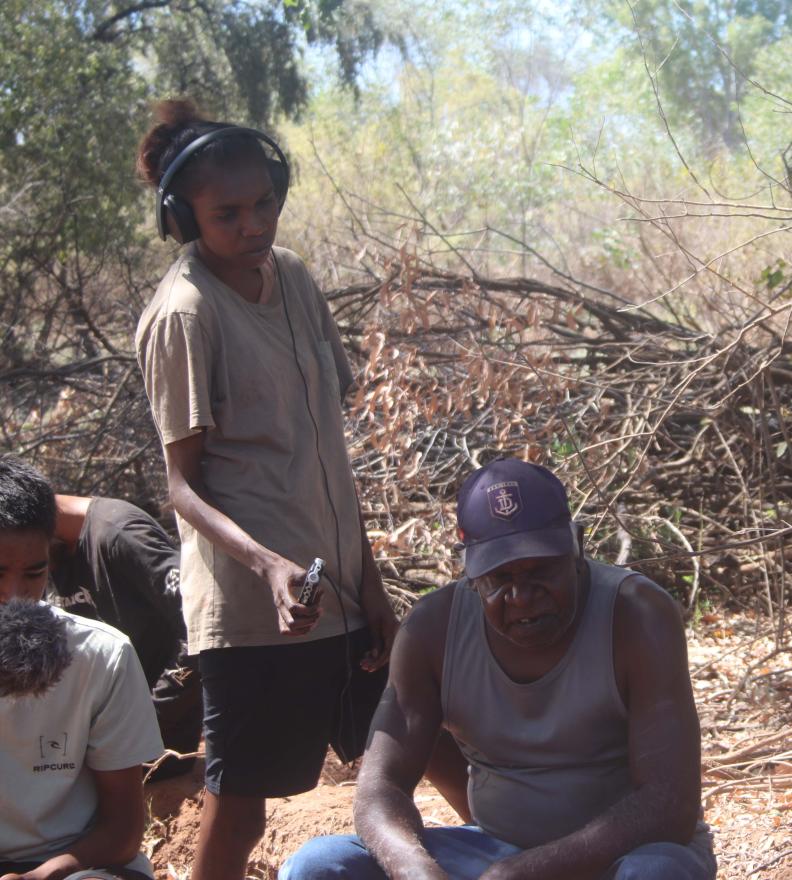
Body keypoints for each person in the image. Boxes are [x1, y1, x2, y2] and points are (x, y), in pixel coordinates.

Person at [134, 98, 401, 880]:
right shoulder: (184, 314)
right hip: (257, 614)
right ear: (183, 218)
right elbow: (181, 488)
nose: (254, 225)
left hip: (341, 593)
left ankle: (513, 861)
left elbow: (329, 451)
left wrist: (370, 585)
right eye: (228, 214)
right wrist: (269, 567)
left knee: (416, 740)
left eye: (265, 205)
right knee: (242, 802)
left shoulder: (292, 279)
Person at [281, 459, 718, 880]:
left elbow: (669, 804)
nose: (522, 597)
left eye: (541, 571)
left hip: (620, 859)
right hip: (492, 853)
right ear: (470, 571)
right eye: (498, 579)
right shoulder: (433, 630)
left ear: (576, 547)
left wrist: (527, 872)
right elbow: (381, 787)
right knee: (319, 866)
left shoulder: (636, 615)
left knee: (658, 871)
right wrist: (415, 869)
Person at [0, 455, 164, 880]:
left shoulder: (102, 655)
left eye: (34, 574)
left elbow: (124, 830)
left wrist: (48, 873)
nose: (15, 596)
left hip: (79, 867)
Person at [48, 494, 202, 780]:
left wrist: (146, 716)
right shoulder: (54, 552)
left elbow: (197, 626)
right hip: (92, 740)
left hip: (152, 746)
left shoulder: (121, 534)